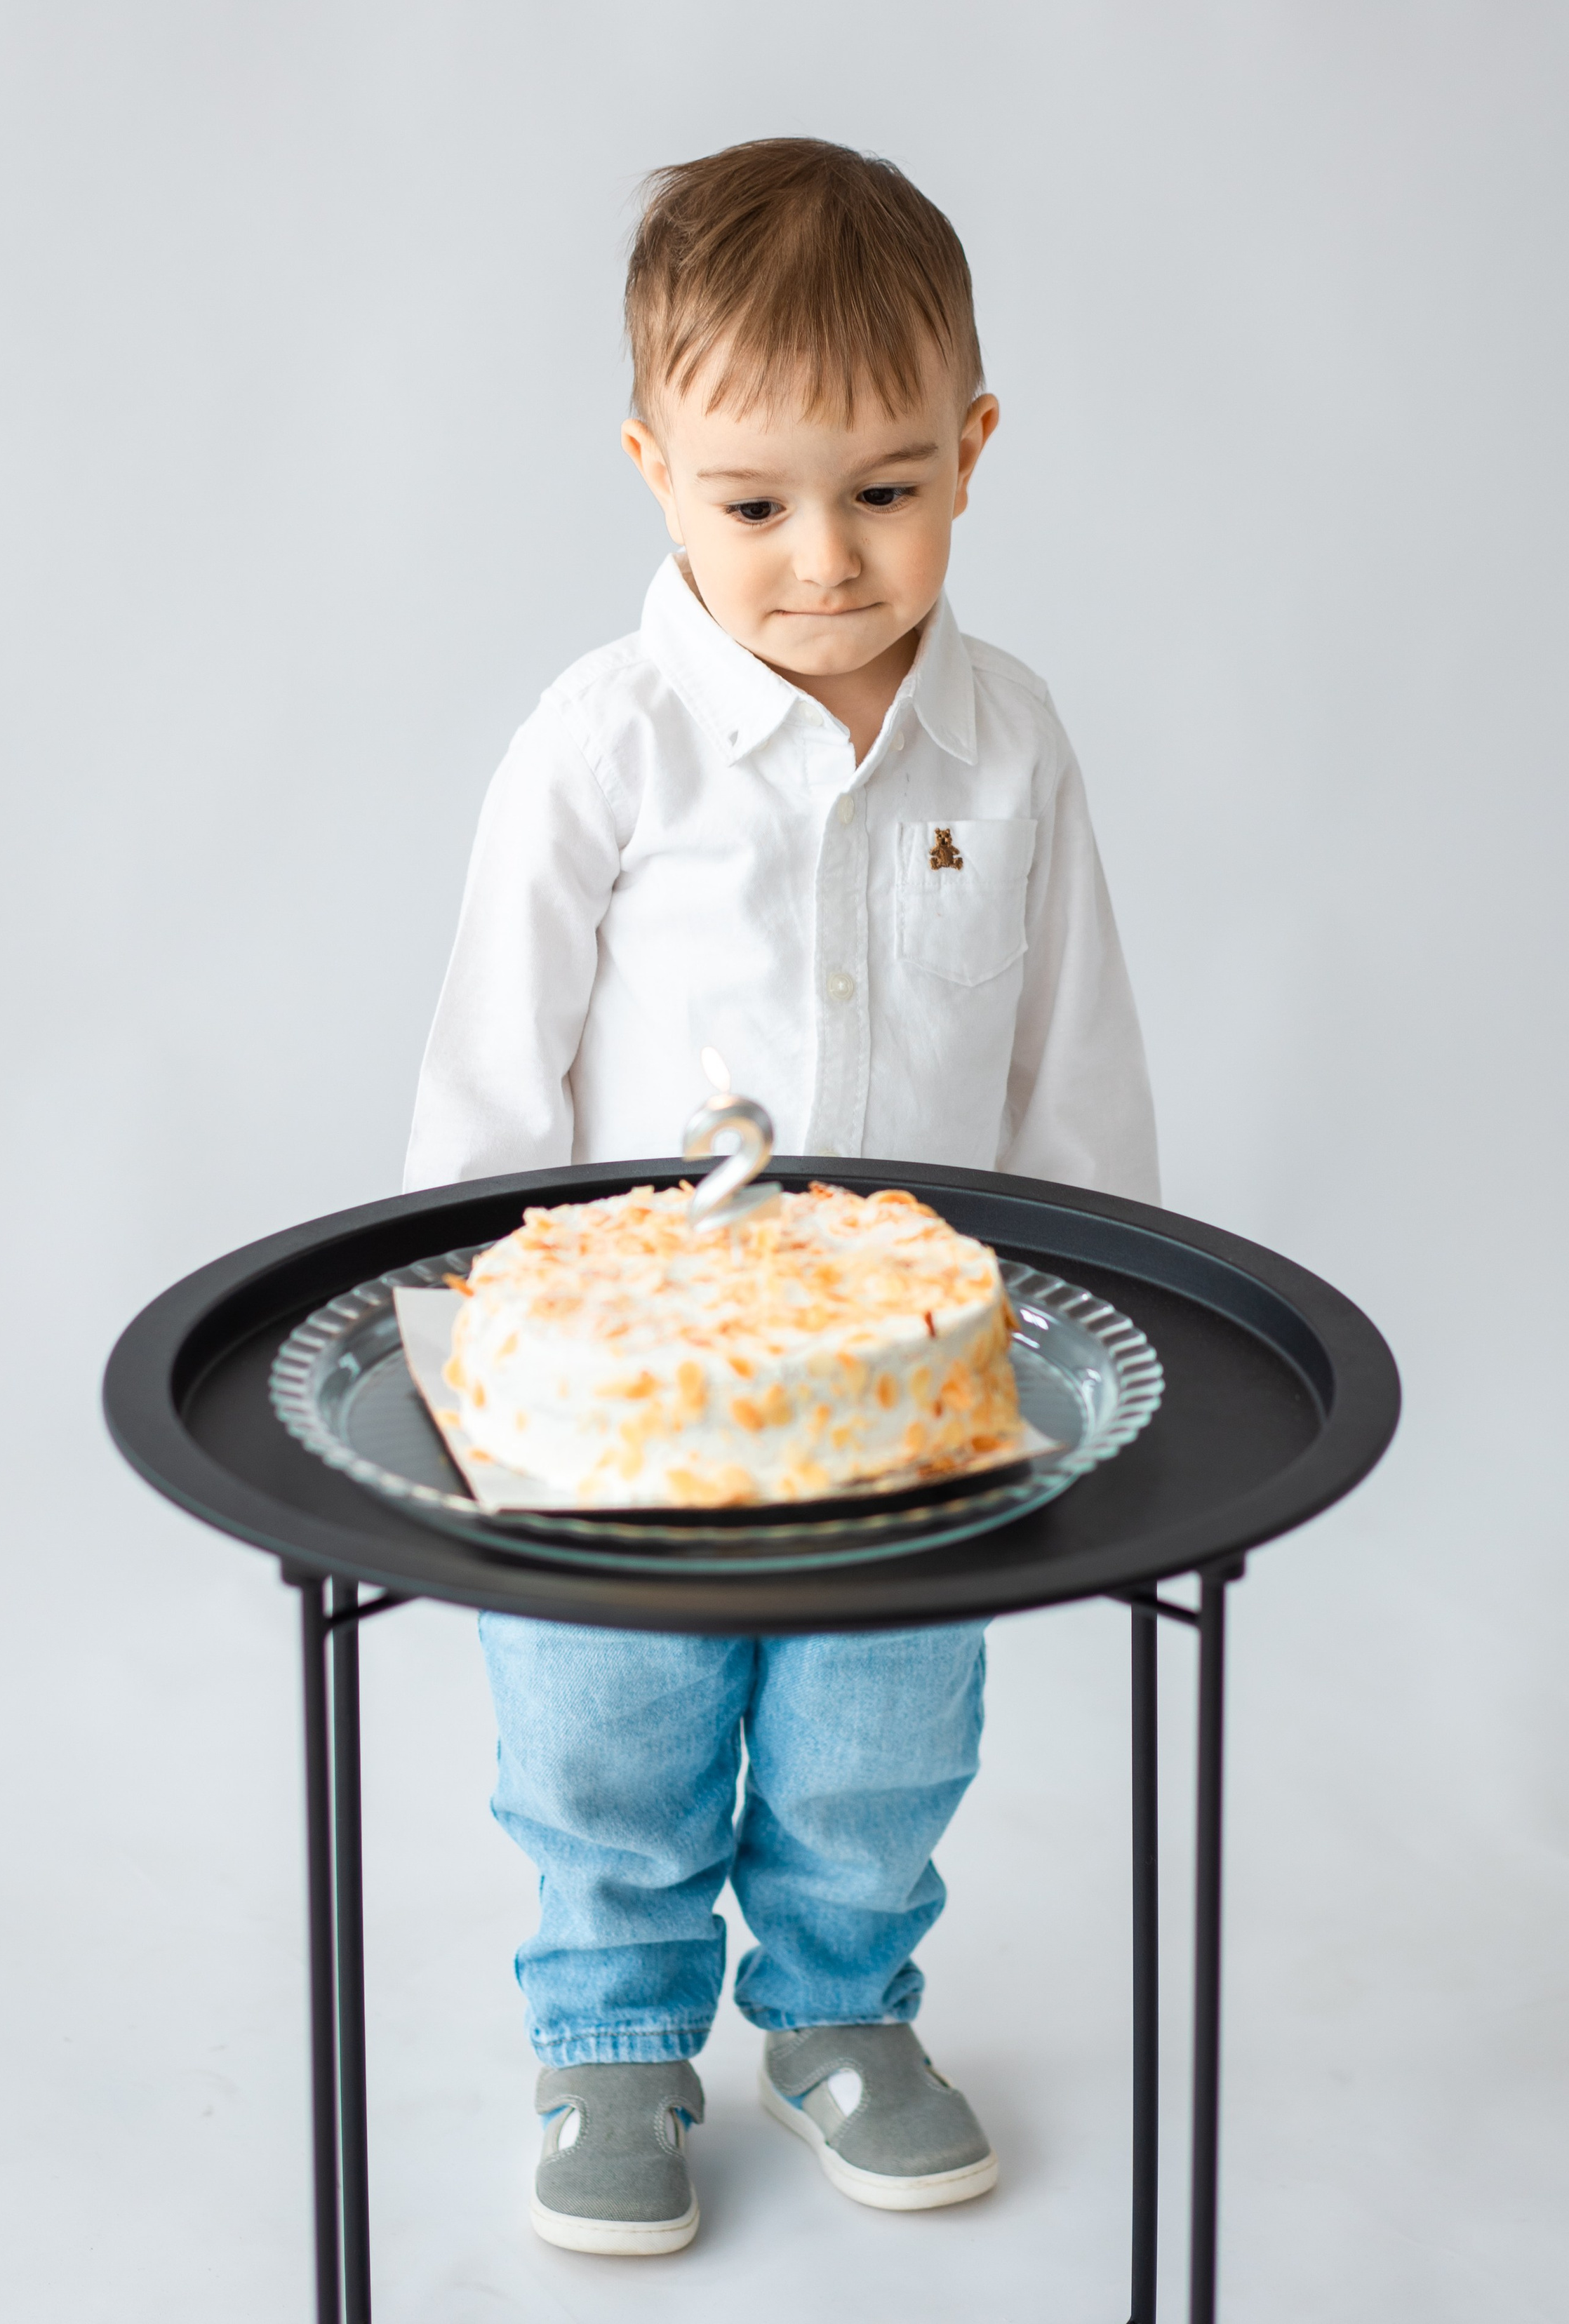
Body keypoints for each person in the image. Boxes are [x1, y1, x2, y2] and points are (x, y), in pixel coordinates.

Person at [405, 136, 1159, 2257]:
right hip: (622, 1417)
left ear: (973, 451)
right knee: (608, 1733)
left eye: (886, 490)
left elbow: (1072, 1065)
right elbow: (487, 1067)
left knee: (879, 1729)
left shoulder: (1011, 750)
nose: (824, 559)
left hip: (913, 1410)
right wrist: (478, 1382)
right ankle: (614, 2044)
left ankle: (841, 2012)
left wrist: (1113, 1327)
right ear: (655, 470)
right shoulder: (601, 746)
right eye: (753, 504)